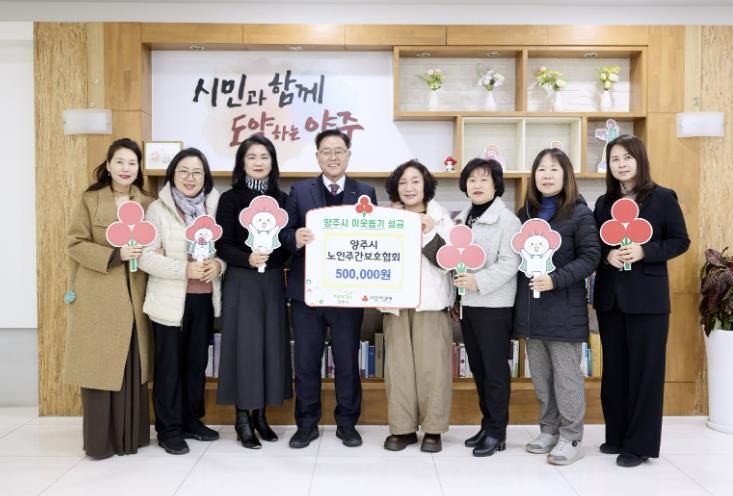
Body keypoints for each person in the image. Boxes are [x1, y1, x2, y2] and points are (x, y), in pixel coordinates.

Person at [593, 134, 689, 467]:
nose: (621, 164)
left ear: (639, 160)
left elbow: (680, 241)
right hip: (611, 299)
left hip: (648, 301)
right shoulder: (603, 203)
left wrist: (645, 251)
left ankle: (640, 445)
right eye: (614, 159)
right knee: (614, 372)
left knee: (646, 373)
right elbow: (594, 247)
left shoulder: (662, 198)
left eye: (627, 158)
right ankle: (617, 436)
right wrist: (607, 257)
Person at [281, 129, 377, 449]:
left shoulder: (365, 192)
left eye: (339, 151)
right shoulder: (299, 191)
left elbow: (374, 241)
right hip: (307, 293)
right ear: (317, 156)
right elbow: (284, 234)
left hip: (347, 293)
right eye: (326, 151)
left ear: (348, 154)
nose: (333, 156)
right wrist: (295, 238)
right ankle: (306, 424)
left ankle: (347, 424)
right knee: (306, 362)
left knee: (347, 362)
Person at [64, 138, 153, 459]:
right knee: (100, 366)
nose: (126, 168)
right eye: (120, 162)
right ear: (109, 165)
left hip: (136, 297)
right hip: (100, 296)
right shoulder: (91, 200)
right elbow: (75, 244)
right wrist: (116, 255)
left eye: (132, 163)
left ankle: (131, 438)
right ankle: (101, 443)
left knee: (132, 365)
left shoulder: (149, 203)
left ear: (139, 168)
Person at [513, 148, 600, 465]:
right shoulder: (524, 215)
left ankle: (571, 437)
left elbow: (591, 257)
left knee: (566, 378)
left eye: (554, 169)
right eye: (541, 169)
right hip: (532, 311)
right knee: (541, 378)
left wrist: (555, 279)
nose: (547, 175)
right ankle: (548, 430)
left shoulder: (580, 214)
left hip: (564, 309)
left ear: (566, 176)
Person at [137, 148, 224, 455]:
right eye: (183, 171)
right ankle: (169, 429)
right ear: (172, 174)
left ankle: (191, 421)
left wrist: (219, 266)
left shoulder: (214, 206)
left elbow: (224, 250)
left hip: (203, 299)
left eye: (197, 172)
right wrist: (183, 269)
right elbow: (146, 258)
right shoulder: (157, 209)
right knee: (169, 367)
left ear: (205, 177)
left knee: (196, 364)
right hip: (169, 301)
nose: (190, 178)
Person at [215, 134, 292, 449]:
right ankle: (242, 418)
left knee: (270, 345)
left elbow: (287, 244)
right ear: (242, 163)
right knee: (244, 347)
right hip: (241, 280)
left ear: (273, 162)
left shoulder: (284, 200)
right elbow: (222, 244)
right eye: (252, 157)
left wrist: (274, 257)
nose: (259, 162)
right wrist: (247, 258)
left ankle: (261, 415)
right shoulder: (230, 199)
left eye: (264, 156)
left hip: (271, 281)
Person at [380, 160, 455, 453]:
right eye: (403, 182)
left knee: (433, 369)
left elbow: (449, 262)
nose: (409, 188)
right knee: (398, 369)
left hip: (431, 304)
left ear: (426, 186)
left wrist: (429, 232)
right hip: (396, 303)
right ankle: (403, 429)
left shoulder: (442, 218)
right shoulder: (386, 218)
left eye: (415, 181)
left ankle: (433, 430)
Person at [452, 158, 521, 457]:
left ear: (496, 185)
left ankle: (497, 431)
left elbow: (510, 263)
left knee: (494, 371)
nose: (477, 185)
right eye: (472, 180)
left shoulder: (508, 220)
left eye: (484, 179)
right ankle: (487, 424)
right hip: (468, 305)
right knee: (479, 369)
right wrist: (457, 297)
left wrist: (477, 282)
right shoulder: (462, 219)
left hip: (494, 305)